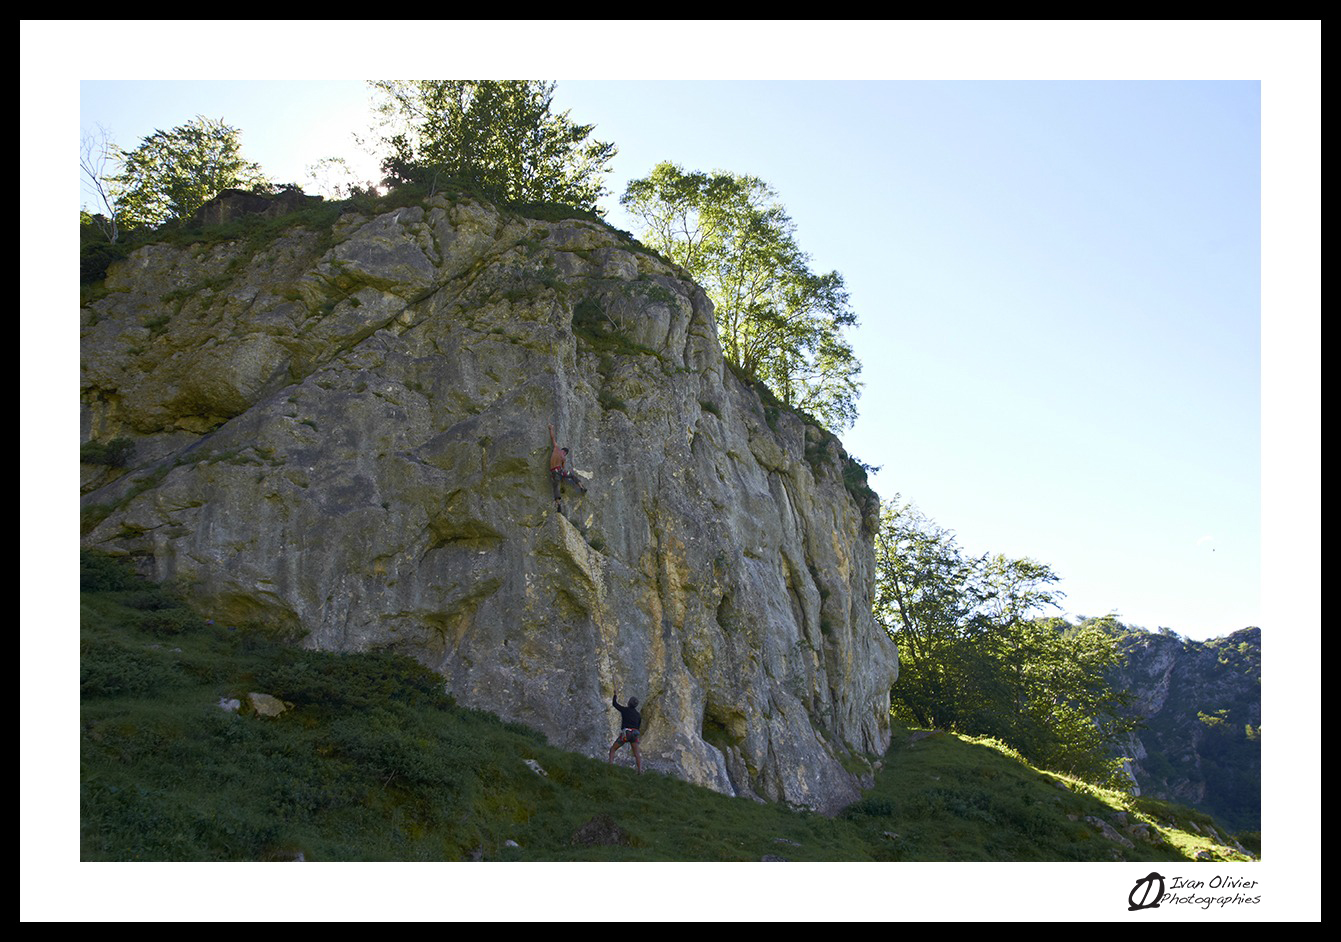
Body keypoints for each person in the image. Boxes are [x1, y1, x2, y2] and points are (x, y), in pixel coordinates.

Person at [548, 424, 588, 512]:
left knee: (556, 487)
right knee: (572, 476)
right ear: (565, 453)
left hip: (554, 471)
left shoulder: (556, 449)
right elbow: (563, 467)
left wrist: (551, 429)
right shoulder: (564, 458)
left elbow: (552, 438)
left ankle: (558, 504)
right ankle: (581, 486)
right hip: (560, 471)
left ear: (562, 450)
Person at [608, 691, 643, 773]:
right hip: (635, 734)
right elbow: (638, 726)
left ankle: (610, 766)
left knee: (613, 749)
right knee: (637, 754)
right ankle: (640, 771)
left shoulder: (625, 710)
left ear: (628, 703)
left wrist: (615, 695)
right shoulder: (638, 715)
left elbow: (615, 704)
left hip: (626, 733)